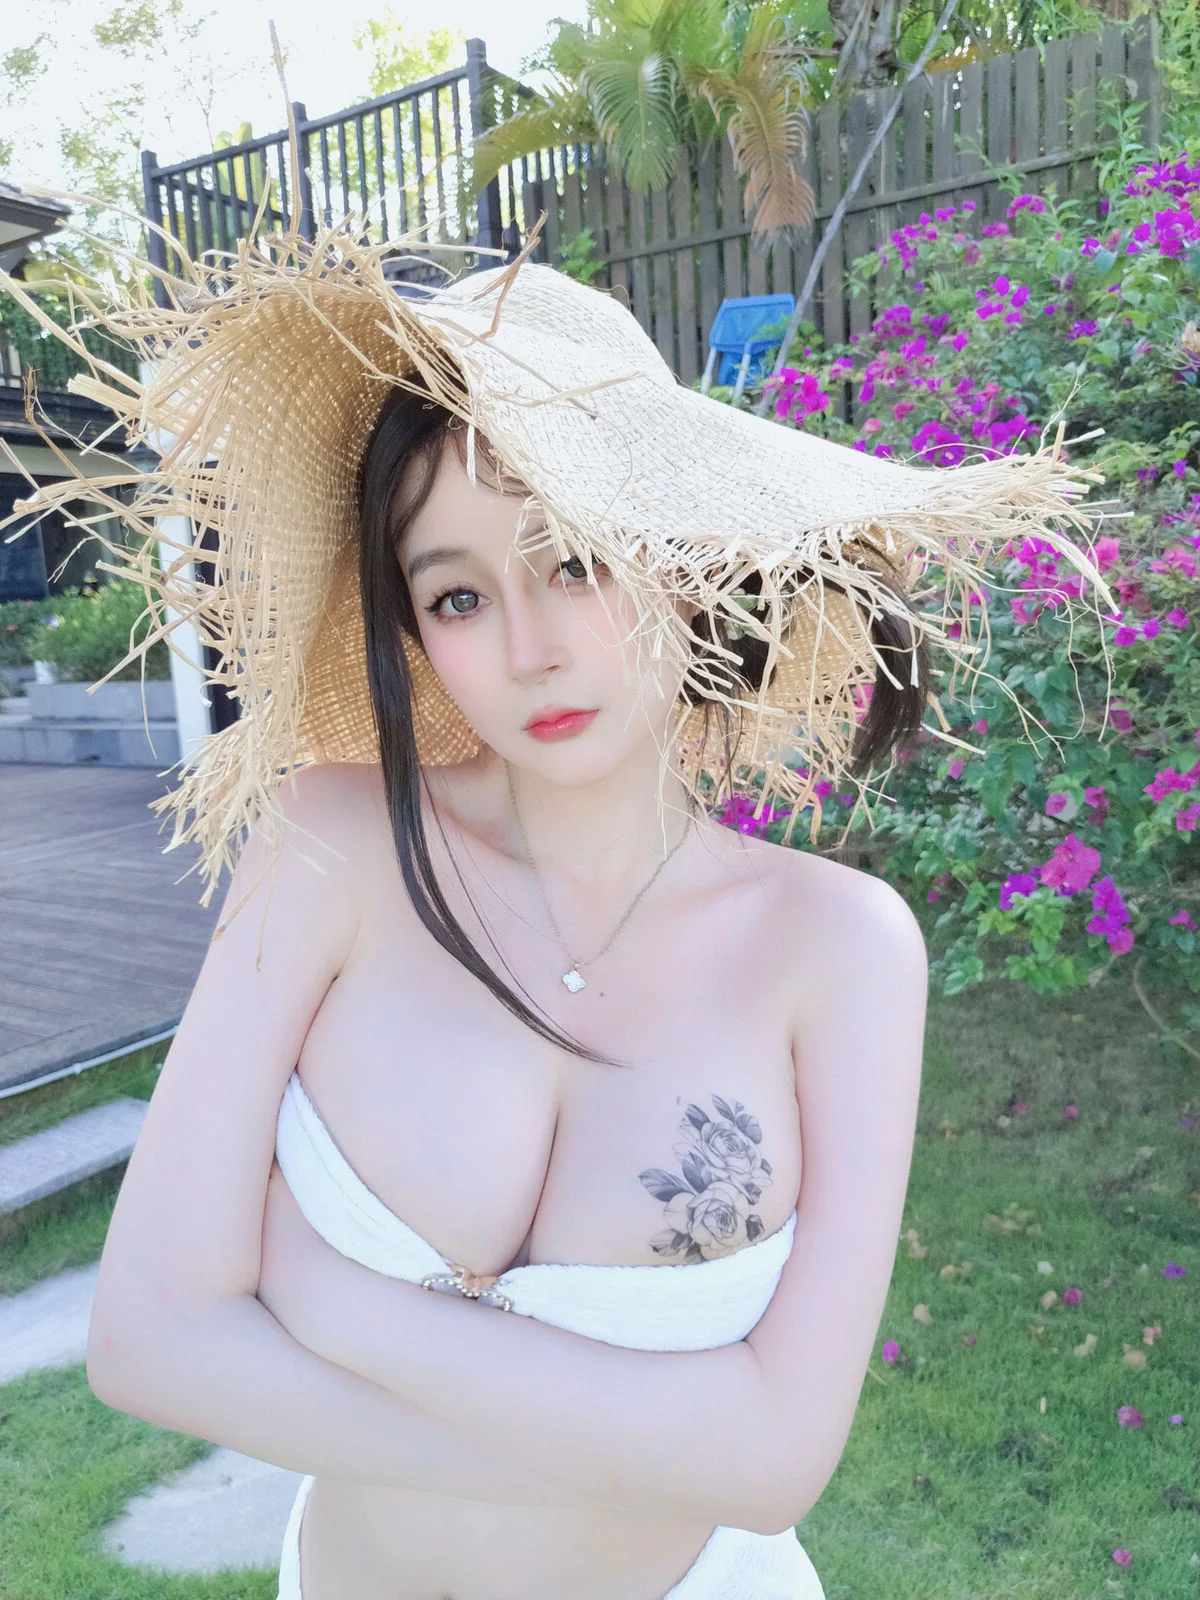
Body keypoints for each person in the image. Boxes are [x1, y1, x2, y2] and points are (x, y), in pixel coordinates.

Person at [0, 201, 1107, 1600]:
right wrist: (671, 1442)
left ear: (681, 555)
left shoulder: (834, 947)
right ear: (413, 633)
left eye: (573, 559)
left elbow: (777, 1465)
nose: (529, 648)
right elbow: (148, 1341)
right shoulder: (333, 839)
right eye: (456, 597)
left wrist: (334, 1304)